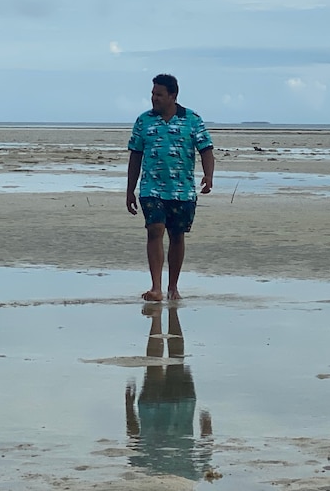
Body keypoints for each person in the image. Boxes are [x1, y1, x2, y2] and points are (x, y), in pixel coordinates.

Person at [127, 74, 215, 301]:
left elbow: (206, 149)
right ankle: (156, 288)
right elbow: (135, 156)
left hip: (182, 190)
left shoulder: (192, 119)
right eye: (152, 94)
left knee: (177, 235)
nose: (154, 98)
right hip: (151, 188)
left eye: (159, 94)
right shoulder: (143, 121)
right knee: (155, 229)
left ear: (173, 96)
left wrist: (208, 176)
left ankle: (172, 287)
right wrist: (130, 190)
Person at [125, 303, 213, 479]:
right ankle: (161, 315)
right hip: (158, 408)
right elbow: (134, 440)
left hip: (179, 407)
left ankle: (167, 313)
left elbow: (206, 453)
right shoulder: (150, 473)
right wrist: (129, 407)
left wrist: (206, 427)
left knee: (175, 358)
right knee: (157, 363)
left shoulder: (189, 478)